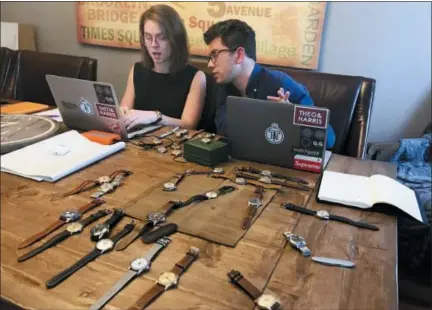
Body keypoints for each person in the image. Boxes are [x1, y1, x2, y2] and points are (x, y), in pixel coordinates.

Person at [203, 19, 336, 148]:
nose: (209, 64)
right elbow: (224, 132)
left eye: (215, 55)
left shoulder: (280, 83)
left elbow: (328, 139)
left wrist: (291, 117)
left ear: (239, 55)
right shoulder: (223, 83)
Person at [120, 5, 206, 130]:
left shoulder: (196, 77)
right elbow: (125, 110)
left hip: (173, 144)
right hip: (138, 142)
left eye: (162, 37)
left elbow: (189, 124)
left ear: (175, 39)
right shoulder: (137, 70)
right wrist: (120, 114)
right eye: (148, 37)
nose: (154, 45)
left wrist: (157, 117)